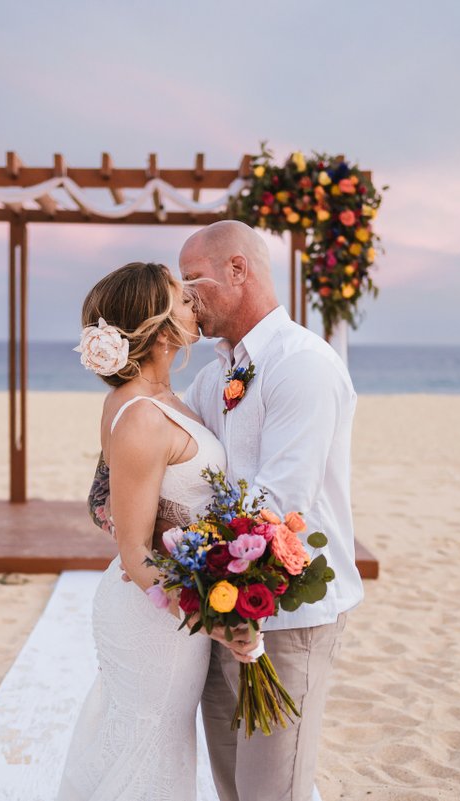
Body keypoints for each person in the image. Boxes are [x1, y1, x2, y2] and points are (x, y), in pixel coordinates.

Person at [178, 221, 363, 801]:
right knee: (232, 786)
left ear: (238, 269)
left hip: (290, 615)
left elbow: (282, 502)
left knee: (273, 790)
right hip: (221, 609)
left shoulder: (302, 364)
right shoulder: (213, 376)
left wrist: (222, 577)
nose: (185, 298)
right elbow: (180, 463)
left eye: (192, 281)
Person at [56, 261, 251, 801]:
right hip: (154, 617)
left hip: (164, 609)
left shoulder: (158, 398)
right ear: (163, 331)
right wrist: (209, 621)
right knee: (152, 745)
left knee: (153, 744)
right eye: (183, 300)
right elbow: (134, 550)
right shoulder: (141, 414)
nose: (195, 303)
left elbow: (108, 504)